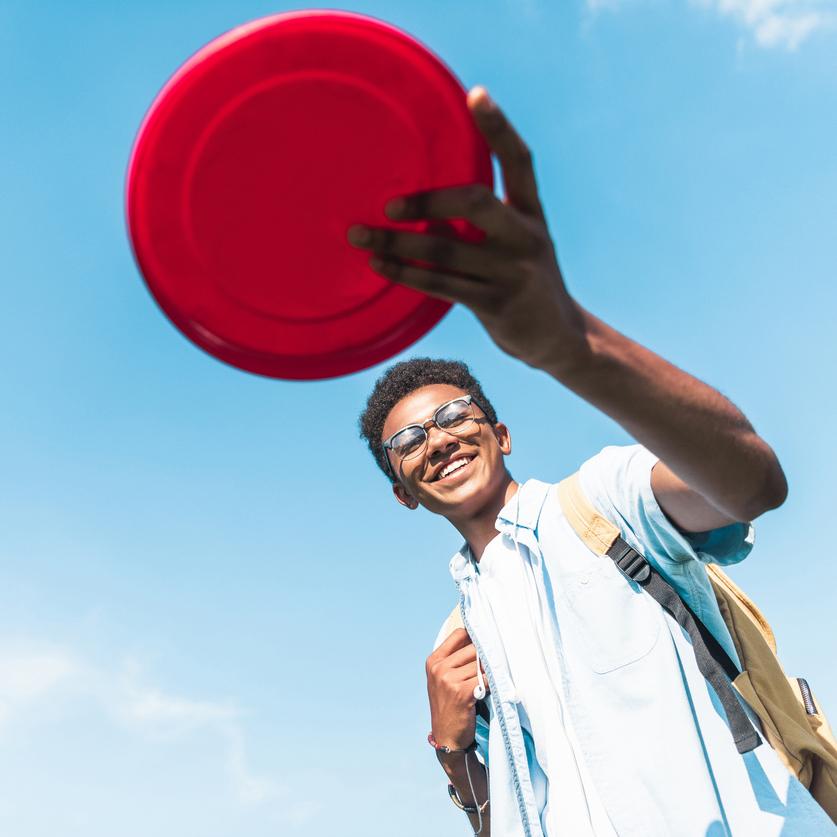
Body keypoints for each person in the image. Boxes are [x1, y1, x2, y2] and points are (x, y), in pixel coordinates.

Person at [349, 89, 835, 836]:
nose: (437, 439)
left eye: (454, 417)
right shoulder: (459, 638)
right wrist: (452, 753)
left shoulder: (599, 502)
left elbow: (753, 485)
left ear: (501, 434)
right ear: (400, 492)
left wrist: (572, 347)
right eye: (408, 442)